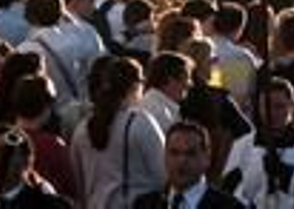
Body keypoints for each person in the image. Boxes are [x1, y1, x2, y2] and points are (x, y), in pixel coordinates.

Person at [69, 57, 164, 209]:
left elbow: (78, 183)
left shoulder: (82, 129)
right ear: (136, 85)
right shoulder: (140, 122)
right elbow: (163, 175)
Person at [224, 78, 294, 209]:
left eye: (279, 106)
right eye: (266, 106)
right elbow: (229, 191)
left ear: (293, 107)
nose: (272, 113)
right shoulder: (243, 145)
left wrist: (286, 173)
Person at [130, 120, 242, 209]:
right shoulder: (144, 205)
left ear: (207, 158)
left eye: (190, 153)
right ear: (164, 157)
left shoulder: (230, 207)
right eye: (174, 153)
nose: (182, 160)